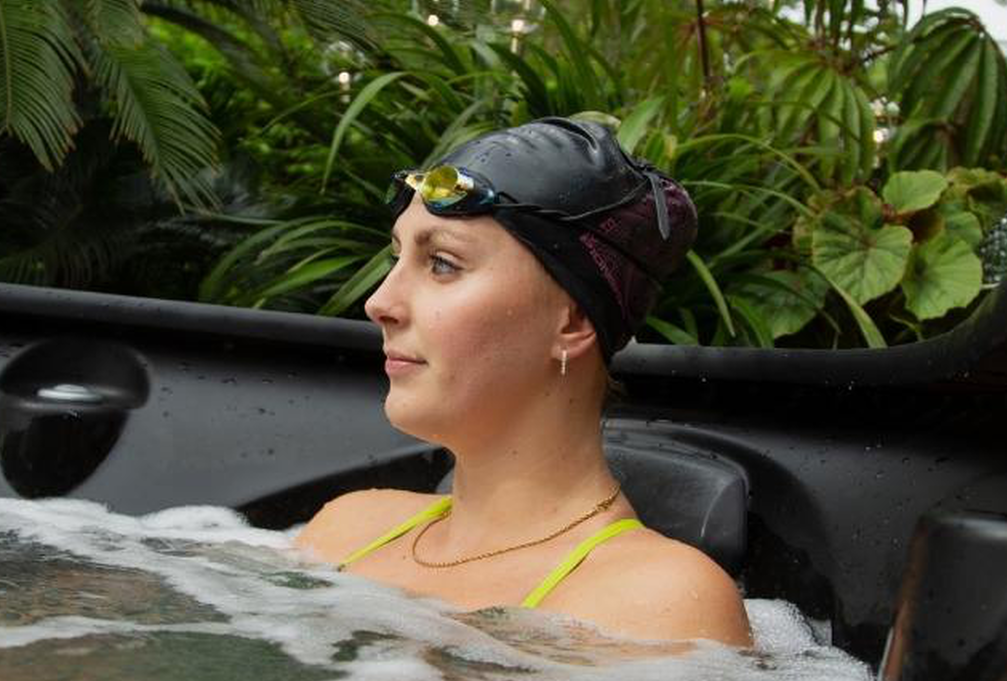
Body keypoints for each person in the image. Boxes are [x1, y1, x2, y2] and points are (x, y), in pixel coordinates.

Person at [296, 116, 752, 646]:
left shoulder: (654, 607)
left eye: (442, 264)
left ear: (573, 321)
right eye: (398, 258)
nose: (379, 303)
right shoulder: (343, 531)